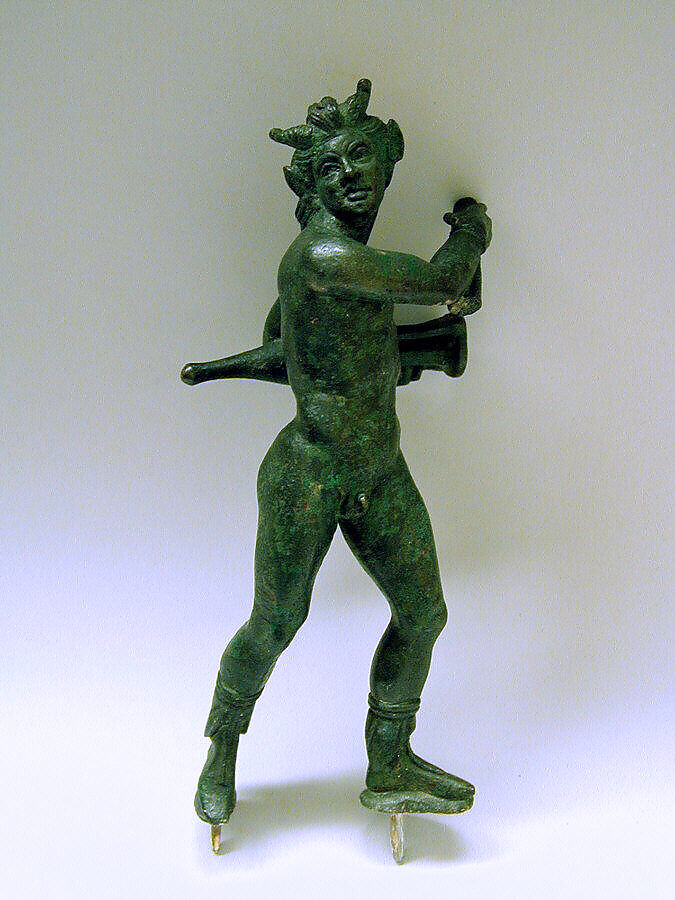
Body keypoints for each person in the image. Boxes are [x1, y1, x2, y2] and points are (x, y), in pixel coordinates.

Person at [185, 79, 492, 827]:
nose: (350, 175)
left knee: (422, 614)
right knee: (276, 622)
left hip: (377, 469)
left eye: (360, 157)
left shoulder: (348, 269)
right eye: (330, 167)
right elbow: (442, 278)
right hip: (309, 474)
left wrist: (411, 346)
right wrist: (473, 229)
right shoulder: (324, 256)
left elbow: (292, 352)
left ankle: (389, 761)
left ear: (387, 161)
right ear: (311, 185)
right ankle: (222, 746)